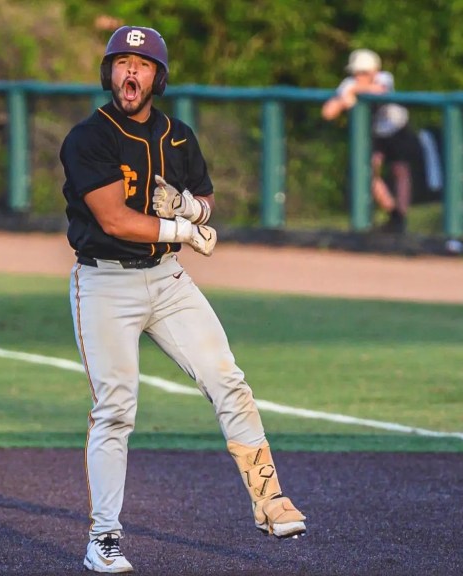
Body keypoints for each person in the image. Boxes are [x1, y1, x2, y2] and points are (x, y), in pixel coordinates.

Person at [59, 25, 307, 573]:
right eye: (122, 62)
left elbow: (206, 199)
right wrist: (182, 229)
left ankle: (270, 500)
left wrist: (192, 212)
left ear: (157, 76)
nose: (131, 73)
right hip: (105, 284)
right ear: (109, 73)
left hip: (168, 281)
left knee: (229, 381)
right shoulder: (88, 137)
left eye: (142, 65)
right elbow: (115, 219)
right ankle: (103, 539)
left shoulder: (179, 135)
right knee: (115, 410)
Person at [321, 48, 426, 234]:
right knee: (368, 172)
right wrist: (341, 101)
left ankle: (401, 218)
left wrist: (354, 91)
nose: (360, 76)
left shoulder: (384, 78)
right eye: (357, 73)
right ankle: (393, 213)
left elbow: (379, 91)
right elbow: (328, 112)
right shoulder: (349, 84)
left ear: (374, 71)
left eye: (364, 72)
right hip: (375, 133)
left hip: (396, 128)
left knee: (400, 170)